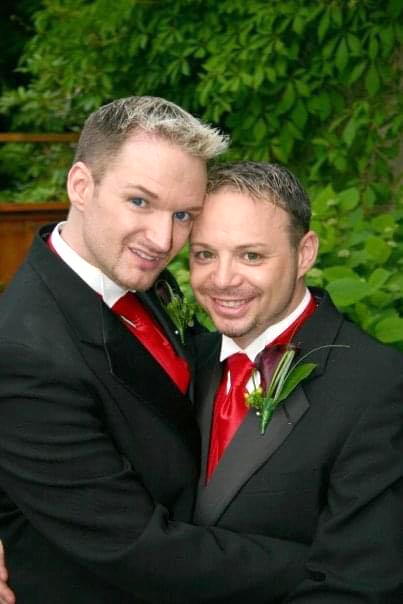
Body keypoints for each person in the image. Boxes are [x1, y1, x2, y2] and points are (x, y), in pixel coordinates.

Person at [0, 99, 310, 604]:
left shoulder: (128, 274)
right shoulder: (26, 353)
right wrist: (332, 562)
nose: (164, 239)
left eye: (183, 214)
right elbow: (138, 548)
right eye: (140, 202)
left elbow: (168, 371)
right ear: (81, 186)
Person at [188, 161, 403, 602]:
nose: (222, 279)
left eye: (251, 255)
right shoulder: (190, 359)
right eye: (204, 253)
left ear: (305, 253)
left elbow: (359, 587)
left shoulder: (378, 387)